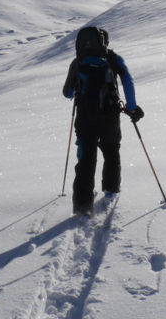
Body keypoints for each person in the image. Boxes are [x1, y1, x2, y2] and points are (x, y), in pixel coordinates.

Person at [62, 26, 144, 215]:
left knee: (86, 160)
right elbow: (128, 81)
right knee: (111, 152)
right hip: (110, 116)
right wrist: (132, 108)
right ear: (105, 42)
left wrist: (81, 89)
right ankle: (111, 190)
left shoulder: (77, 62)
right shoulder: (114, 58)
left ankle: (83, 206)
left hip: (85, 118)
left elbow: (67, 93)